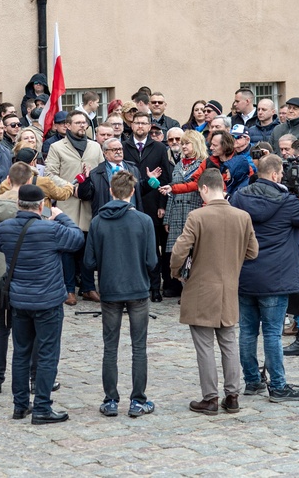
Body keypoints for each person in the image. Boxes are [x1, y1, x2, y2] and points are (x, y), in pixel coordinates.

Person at [229, 154, 299, 402]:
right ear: (274, 175)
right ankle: (279, 386)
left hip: (245, 273)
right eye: (281, 173)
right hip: (275, 277)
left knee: (248, 331)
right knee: (272, 333)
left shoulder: (240, 197)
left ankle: (252, 381)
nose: (283, 177)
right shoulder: (286, 201)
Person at [171, 168, 259, 414]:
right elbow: (253, 252)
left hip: (201, 287)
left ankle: (210, 398)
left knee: (204, 346)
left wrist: (176, 272)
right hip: (229, 287)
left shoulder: (197, 216)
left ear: (205, 189)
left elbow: (179, 250)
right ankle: (232, 395)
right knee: (229, 343)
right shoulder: (242, 216)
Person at [0, 184, 84, 424]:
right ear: (41, 206)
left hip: (19, 300)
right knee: (47, 354)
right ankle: (42, 407)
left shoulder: (5, 228)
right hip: (47, 301)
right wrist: (62, 216)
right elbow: (76, 239)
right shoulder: (51, 228)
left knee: (21, 353)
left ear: (18, 204)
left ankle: (20, 405)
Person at [83, 171, 158, 418]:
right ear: (133, 192)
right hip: (137, 288)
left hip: (110, 288)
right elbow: (151, 261)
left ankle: (111, 399)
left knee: (110, 347)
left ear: (111, 192)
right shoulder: (144, 221)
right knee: (139, 347)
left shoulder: (98, 221)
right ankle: (138, 400)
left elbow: (89, 261)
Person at [45, 111, 104, 305]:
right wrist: (72, 187)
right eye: (77, 122)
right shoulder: (56, 147)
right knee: (68, 250)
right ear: (68, 126)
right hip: (67, 204)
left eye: (84, 122)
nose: (82, 125)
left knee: (88, 249)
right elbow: (50, 174)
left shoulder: (95, 147)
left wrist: (89, 186)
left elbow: (101, 172)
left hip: (89, 205)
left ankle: (88, 287)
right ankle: (69, 289)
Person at [123, 111, 172, 302]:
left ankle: (155, 287)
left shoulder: (159, 148)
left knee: (154, 248)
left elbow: (166, 178)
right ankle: (136, 285)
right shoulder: (124, 147)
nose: (140, 126)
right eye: (137, 123)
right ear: (132, 125)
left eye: (144, 123)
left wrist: (163, 204)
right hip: (132, 202)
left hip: (153, 204)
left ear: (150, 126)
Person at [160, 131, 208, 298]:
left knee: (193, 253)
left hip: (193, 211)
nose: (184, 146)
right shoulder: (179, 164)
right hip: (176, 214)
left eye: (187, 143)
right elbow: (172, 191)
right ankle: (180, 286)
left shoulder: (203, 165)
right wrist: (167, 218)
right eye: (183, 143)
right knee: (178, 252)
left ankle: (192, 289)